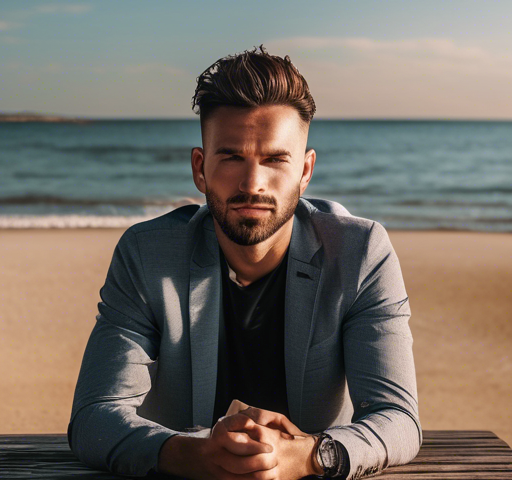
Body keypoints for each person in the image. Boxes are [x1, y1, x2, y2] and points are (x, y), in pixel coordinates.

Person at [68, 46, 422, 480]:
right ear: (200, 168)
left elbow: (399, 419)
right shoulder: (147, 255)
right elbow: (93, 417)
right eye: (232, 156)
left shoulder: (360, 254)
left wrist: (309, 456)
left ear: (305, 172)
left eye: (275, 159)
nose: (252, 183)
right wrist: (193, 455)